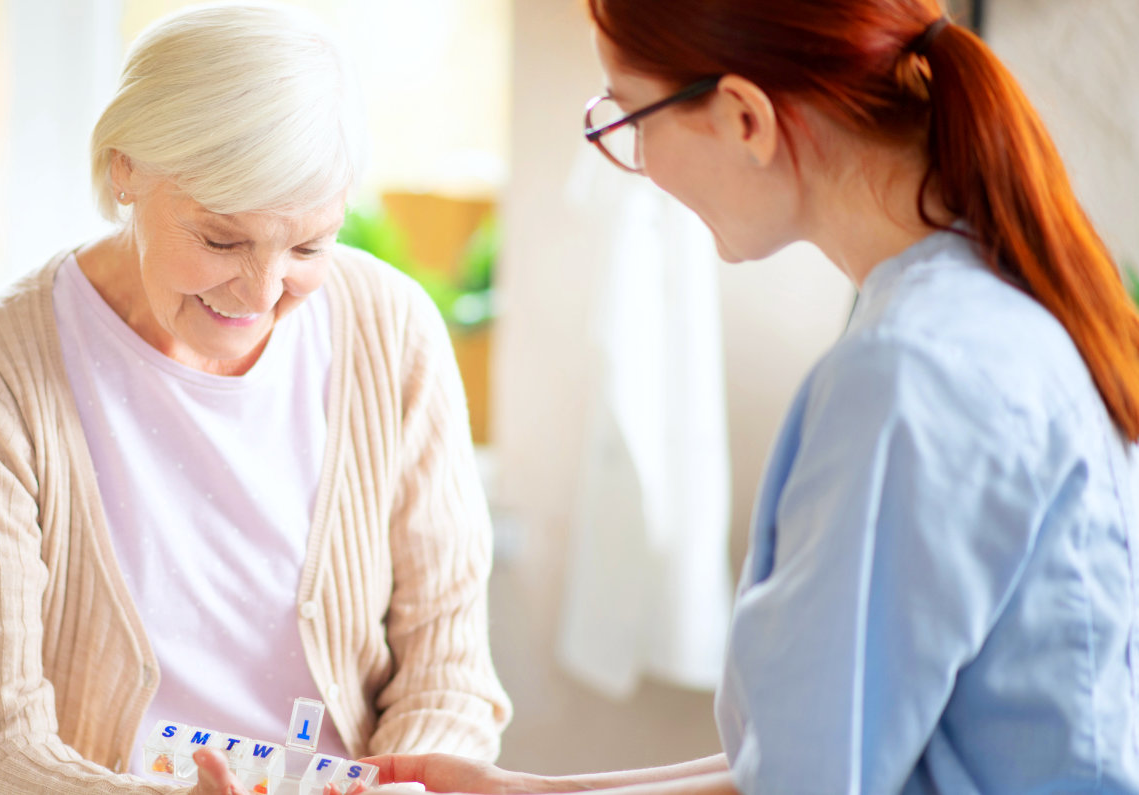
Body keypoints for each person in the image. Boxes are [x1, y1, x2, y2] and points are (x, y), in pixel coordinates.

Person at [368, 0, 1139, 793]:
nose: (637, 162)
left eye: (632, 118)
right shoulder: (983, 310)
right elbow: (818, 757)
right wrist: (529, 792)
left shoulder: (904, 375)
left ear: (743, 116)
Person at [0, 4, 510, 793]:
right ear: (124, 170)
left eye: (307, 246)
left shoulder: (390, 331)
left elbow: (448, 668)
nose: (260, 290)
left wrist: (388, 785)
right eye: (220, 240)